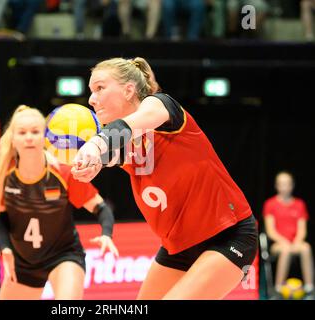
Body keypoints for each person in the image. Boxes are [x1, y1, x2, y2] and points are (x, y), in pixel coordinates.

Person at [71, 57, 258, 299]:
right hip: (179, 246)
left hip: (227, 234)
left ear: (129, 90)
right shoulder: (125, 143)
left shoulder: (160, 106)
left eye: (99, 88)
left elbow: (128, 126)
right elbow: (110, 150)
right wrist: (91, 163)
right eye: (91, 91)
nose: (91, 99)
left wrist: (96, 145)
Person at [0, 105, 119, 300]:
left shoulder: (63, 173)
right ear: (13, 139)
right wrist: (5, 248)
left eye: (35, 131)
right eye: (22, 133)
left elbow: (100, 208)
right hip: (24, 262)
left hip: (64, 256)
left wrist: (107, 234)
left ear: (46, 137)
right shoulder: (3, 176)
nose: (29, 137)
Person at [263, 171, 315, 296]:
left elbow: (302, 229)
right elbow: (270, 231)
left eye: (287, 184)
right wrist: (284, 241)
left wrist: (297, 241)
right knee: (286, 249)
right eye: (281, 184)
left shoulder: (299, 204)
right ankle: (278, 288)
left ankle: (309, 288)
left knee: (306, 248)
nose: (284, 187)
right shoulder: (270, 204)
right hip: (278, 244)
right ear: (276, 186)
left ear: (292, 185)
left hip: (296, 242)